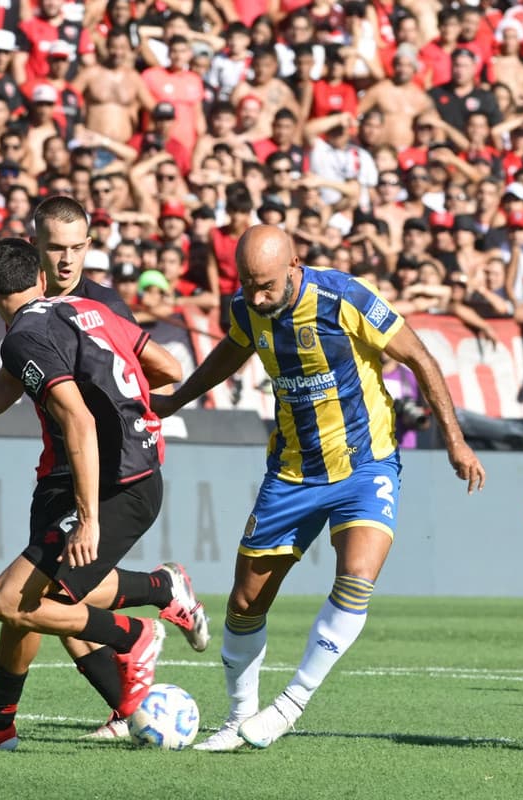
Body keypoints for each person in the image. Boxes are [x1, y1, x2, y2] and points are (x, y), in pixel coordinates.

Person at [151, 225, 486, 751]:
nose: (257, 298)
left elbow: (420, 356)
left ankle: (289, 705)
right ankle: (238, 719)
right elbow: (232, 350)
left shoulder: (343, 298)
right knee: (244, 602)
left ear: (294, 265)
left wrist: (455, 441)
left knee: (356, 577)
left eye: (266, 285)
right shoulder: (246, 309)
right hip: (291, 472)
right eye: (247, 285)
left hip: (365, 464)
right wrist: (178, 398)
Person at [0, 238, 201, 750]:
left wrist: (89, 517)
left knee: (10, 600)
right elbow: (164, 368)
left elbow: (78, 418)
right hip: (112, 473)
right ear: (42, 279)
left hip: (114, 484)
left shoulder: (23, 335)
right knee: (32, 595)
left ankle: (133, 636)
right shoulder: (87, 307)